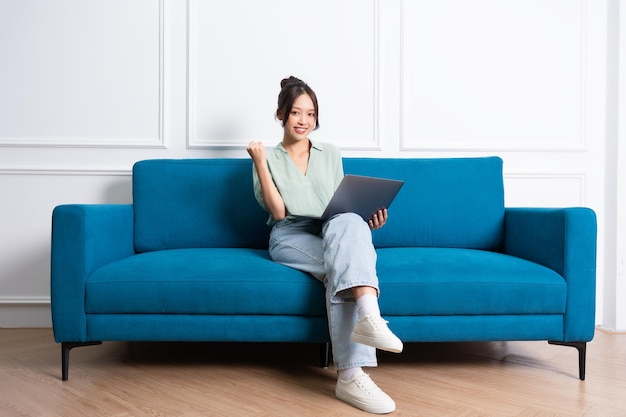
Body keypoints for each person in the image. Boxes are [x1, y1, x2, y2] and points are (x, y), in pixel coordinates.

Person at [247, 76, 402, 414]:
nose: (304, 121)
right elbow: (278, 211)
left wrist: (366, 218)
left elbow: (341, 204)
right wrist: (260, 161)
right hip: (289, 234)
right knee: (342, 267)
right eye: (296, 113)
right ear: (281, 115)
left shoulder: (330, 154)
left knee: (351, 222)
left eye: (311, 114)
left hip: (331, 228)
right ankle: (350, 374)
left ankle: (368, 321)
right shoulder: (267, 157)